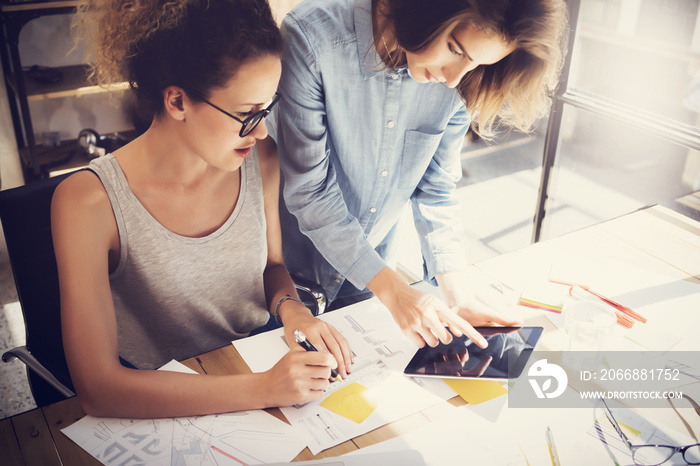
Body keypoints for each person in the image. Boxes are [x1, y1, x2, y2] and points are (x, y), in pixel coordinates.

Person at [52, 0, 351, 419]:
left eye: (267, 110)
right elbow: (98, 389)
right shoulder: (87, 201)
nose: (262, 130)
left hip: (257, 363)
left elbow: (271, 267)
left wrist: (292, 309)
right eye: (247, 114)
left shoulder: (259, 157)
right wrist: (265, 389)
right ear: (177, 102)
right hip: (161, 398)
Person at [268, 0, 567, 349]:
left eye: (476, 63)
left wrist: (459, 294)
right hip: (282, 282)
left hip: (369, 285)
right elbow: (311, 191)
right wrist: (396, 292)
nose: (454, 78)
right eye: (455, 49)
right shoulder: (312, 38)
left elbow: (436, 188)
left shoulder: (461, 81)